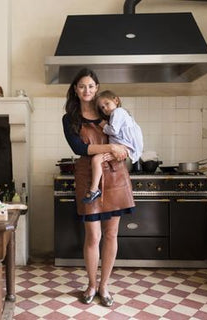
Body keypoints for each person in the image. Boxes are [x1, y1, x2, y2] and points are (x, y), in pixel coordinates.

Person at [62, 68, 135, 307]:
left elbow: (127, 135)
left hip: (115, 174)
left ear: (96, 88)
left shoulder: (110, 110)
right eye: (82, 86)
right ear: (75, 89)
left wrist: (123, 150)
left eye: (91, 86)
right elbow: (79, 149)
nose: (87, 90)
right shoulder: (69, 118)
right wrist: (111, 149)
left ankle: (104, 285)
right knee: (93, 236)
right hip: (88, 176)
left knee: (112, 234)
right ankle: (91, 284)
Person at [83, 90, 143, 203]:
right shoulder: (122, 113)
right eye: (102, 107)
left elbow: (114, 130)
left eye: (107, 104)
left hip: (123, 146)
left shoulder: (118, 112)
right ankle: (95, 189)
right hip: (125, 147)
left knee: (96, 160)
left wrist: (103, 125)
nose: (105, 108)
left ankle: (94, 189)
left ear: (116, 100)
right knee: (101, 159)